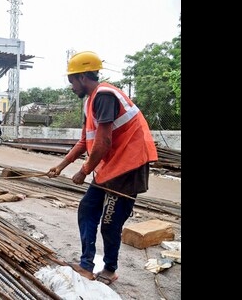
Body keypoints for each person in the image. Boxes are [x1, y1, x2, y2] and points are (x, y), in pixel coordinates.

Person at [47, 51, 158, 285]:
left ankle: (109, 268)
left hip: (130, 164)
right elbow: (85, 141)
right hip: (113, 165)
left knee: (110, 222)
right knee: (87, 209)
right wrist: (61, 165)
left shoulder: (105, 95)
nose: (70, 86)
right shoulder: (91, 102)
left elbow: (104, 142)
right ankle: (86, 265)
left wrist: (85, 170)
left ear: (84, 77)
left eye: (71, 80)